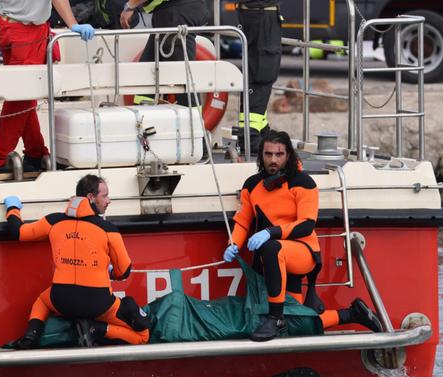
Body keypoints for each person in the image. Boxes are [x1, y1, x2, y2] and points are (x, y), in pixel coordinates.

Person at [223, 129, 382, 341]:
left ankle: (275, 318)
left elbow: (306, 225)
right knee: (298, 325)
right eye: (268, 154)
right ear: (261, 155)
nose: (273, 160)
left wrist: (270, 232)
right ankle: (352, 314)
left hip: (303, 253)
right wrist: (233, 243)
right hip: (274, 261)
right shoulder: (252, 185)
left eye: (279, 154)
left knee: (271, 247)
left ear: (288, 155)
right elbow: (243, 221)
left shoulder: (303, 183)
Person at [2, 174, 151, 349]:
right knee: (142, 335)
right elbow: (124, 271)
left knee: (42, 301)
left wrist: (12, 207)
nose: (109, 200)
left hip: (61, 300)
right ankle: (98, 329)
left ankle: (31, 334)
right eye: (105, 196)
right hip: (98, 304)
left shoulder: (54, 221)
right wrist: (110, 271)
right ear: (90, 197)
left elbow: (19, 232)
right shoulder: (108, 229)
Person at [0, 0, 95, 174]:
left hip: (6, 26)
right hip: (26, 33)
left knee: (25, 97)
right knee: (21, 98)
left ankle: (35, 152)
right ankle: (0, 159)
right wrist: (73, 24)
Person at [119, 0, 209, 106]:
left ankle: (194, 119)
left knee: (182, 78)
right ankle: (143, 115)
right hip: (171, 13)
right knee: (148, 71)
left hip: (176, 14)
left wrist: (129, 7)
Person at [234, 0, 280, 154]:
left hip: (258, 11)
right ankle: (250, 134)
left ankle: (258, 128)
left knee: (260, 70)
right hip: (259, 11)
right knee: (261, 70)